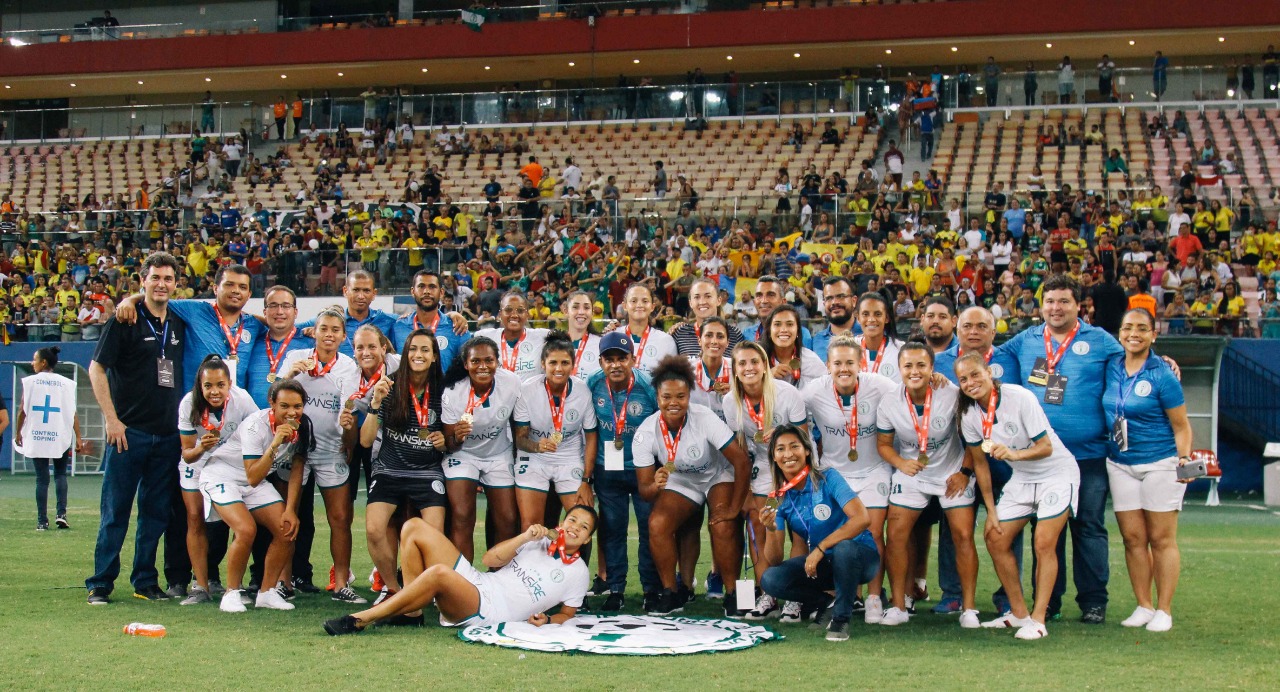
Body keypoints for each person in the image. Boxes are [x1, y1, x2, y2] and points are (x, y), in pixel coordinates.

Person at [995, 274, 1125, 623]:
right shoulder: (1025, 340)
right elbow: (985, 355)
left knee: (1089, 527)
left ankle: (1093, 601)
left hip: (1087, 455)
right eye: (1050, 301)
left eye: (1064, 301)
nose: (1056, 308)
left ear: (1079, 305)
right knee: (1045, 531)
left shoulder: (1101, 340)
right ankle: (1048, 602)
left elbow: (1133, 360)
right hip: (1042, 458)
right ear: (1041, 306)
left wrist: (1164, 360)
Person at [86, 252, 188, 605]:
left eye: (168, 278)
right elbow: (96, 369)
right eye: (155, 277)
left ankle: (145, 581)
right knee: (115, 512)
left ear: (176, 284)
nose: (161, 284)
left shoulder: (178, 321)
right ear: (143, 280)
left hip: (168, 436)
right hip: (128, 434)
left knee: (155, 515)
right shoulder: (124, 319)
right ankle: (100, 583)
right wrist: (111, 419)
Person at [953, 353, 1078, 641]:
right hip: (1022, 478)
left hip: (1057, 473)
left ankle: (1039, 620)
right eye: (963, 379)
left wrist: (1013, 454)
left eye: (975, 374)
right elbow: (980, 464)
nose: (970, 383)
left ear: (989, 372)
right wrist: (991, 511)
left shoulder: (1020, 397)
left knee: (1044, 542)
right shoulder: (969, 414)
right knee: (995, 537)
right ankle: (1019, 614)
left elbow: (1045, 446)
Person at [323, 507, 597, 635]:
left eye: (583, 527)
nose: (575, 527)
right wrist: (524, 537)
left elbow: (567, 614)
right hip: (479, 583)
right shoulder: (538, 540)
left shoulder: (578, 573)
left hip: (490, 611)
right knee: (413, 527)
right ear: (562, 522)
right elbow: (490, 558)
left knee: (439, 574)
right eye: (572, 519)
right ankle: (411, 614)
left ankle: (360, 619)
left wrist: (547, 621)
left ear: (587, 540)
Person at [634, 356, 751, 617]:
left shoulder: (704, 417)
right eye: (666, 397)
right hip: (682, 481)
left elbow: (741, 461)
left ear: (689, 395)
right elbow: (644, 491)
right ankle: (672, 592)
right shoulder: (645, 432)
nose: (673, 403)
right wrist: (655, 485)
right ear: (657, 397)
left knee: (722, 523)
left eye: (681, 396)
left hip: (717, 474)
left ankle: (732, 593)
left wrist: (734, 508)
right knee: (657, 524)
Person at [874, 342, 979, 628]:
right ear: (899, 369)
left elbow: (974, 438)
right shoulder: (890, 401)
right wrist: (900, 463)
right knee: (896, 535)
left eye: (921, 365)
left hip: (951, 472)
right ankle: (898, 606)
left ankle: (969, 609)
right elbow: (883, 444)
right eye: (908, 365)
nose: (915, 371)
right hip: (912, 473)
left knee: (963, 535)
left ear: (932, 368)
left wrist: (965, 472)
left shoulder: (952, 394)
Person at [1101, 309, 1193, 633]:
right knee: (1133, 538)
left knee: (1161, 539)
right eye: (1128, 327)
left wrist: (1184, 458)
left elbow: (1181, 426)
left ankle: (1164, 610)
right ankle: (1144, 605)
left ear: (1154, 335)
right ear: (1120, 332)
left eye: (1142, 328)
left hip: (1160, 463)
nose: (1133, 334)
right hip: (1120, 463)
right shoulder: (1112, 365)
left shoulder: (1162, 374)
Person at [802, 335, 896, 623]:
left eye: (850, 362)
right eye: (837, 363)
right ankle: (842, 595)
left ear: (860, 363)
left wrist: (938, 380)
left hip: (873, 470)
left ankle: (874, 597)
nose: (844, 368)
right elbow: (791, 411)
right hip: (834, 472)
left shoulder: (880, 386)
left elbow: (909, 393)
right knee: (836, 533)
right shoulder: (813, 391)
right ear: (828, 365)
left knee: (873, 531)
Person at [759, 425, 880, 641]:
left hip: (860, 557)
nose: (788, 454)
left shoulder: (828, 477)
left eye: (794, 446)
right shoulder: (777, 497)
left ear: (807, 450)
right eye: (780, 449)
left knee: (844, 548)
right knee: (771, 579)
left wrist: (821, 547)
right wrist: (770, 528)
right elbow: (775, 559)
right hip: (825, 564)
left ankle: (841, 620)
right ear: (774, 457)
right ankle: (826, 603)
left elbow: (862, 518)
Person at [199, 378, 309, 612]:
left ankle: (267, 592)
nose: (292, 412)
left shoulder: (303, 426)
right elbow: (253, 476)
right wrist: (275, 443)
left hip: (254, 481)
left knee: (286, 529)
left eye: (297, 406)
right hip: (223, 475)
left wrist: (290, 510)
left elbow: (298, 467)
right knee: (246, 529)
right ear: (272, 404)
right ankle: (231, 593)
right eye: (284, 406)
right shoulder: (254, 426)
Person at [278, 306, 364, 603]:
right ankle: (283, 582)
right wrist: (290, 374)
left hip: (331, 450)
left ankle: (341, 584)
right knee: (288, 514)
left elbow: (350, 412)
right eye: (323, 328)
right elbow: (275, 398)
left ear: (343, 336)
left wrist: (349, 440)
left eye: (335, 330)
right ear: (313, 332)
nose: (329, 334)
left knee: (340, 518)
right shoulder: (295, 357)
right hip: (295, 450)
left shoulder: (349, 367)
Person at [359, 328, 448, 603]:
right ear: (406, 353)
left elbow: (452, 438)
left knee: (434, 535)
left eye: (425, 350)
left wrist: (444, 441)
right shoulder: (389, 386)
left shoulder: (444, 390)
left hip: (427, 472)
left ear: (434, 356)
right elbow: (365, 441)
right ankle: (392, 590)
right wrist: (375, 403)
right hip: (389, 469)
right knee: (374, 529)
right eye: (413, 349)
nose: (418, 355)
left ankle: (423, 590)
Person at [724, 341, 808, 621]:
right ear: (735, 370)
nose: (748, 368)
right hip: (763, 466)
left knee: (799, 530)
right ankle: (768, 594)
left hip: (795, 463)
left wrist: (783, 432)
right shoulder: (730, 401)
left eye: (754, 362)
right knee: (761, 526)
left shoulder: (787, 393)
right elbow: (740, 449)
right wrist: (746, 490)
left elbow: (804, 440)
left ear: (764, 366)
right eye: (742, 363)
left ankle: (794, 599)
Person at [587, 332, 661, 612]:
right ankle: (615, 589)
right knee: (613, 530)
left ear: (633, 359)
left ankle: (651, 590)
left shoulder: (648, 386)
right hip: (608, 467)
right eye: (609, 359)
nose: (616, 364)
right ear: (601, 361)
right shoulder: (592, 384)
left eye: (622, 358)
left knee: (648, 529)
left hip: (644, 469)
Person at [175, 356, 257, 605]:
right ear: (200, 385)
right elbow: (187, 454)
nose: (214, 391)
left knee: (236, 520)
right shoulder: (188, 403)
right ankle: (200, 586)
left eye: (220, 385)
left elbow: (257, 430)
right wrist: (201, 447)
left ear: (229, 383)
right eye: (208, 385)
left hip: (229, 465)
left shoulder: (242, 399)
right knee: (194, 517)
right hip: (198, 462)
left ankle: (235, 585)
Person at [441, 336, 521, 561]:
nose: (483, 366)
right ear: (466, 364)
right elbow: (450, 444)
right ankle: (463, 577)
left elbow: (518, 423)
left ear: (498, 362)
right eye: (476, 361)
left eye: (489, 360)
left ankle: (499, 573)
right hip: (463, 455)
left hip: (499, 453)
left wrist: (518, 456)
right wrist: (457, 437)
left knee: (508, 518)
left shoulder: (512, 383)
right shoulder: (453, 391)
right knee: (462, 515)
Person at [513, 333, 598, 528]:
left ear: (573, 365)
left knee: (582, 522)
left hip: (569, 456)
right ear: (543, 364)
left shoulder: (583, 391)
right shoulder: (527, 389)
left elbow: (591, 438)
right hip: (534, 457)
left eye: (565, 363)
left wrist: (586, 480)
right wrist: (536, 446)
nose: (559, 369)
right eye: (553, 363)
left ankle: (575, 553)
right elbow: (520, 439)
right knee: (531, 525)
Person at [14, 346, 86, 531]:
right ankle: (61, 514)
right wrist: (78, 437)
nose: (32, 363)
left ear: (43, 362)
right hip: (59, 434)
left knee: (42, 478)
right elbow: (72, 412)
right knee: (60, 474)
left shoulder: (30, 382)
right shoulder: (66, 383)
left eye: (35, 359)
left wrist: (18, 432)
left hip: (38, 434)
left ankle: (42, 521)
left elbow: (22, 410)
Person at [298, 271, 398, 358]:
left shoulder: (388, 320)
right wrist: (318, 331)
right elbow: (292, 329)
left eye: (366, 290)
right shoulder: (328, 321)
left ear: (374, 294)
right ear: (345, 291)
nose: (361, 296)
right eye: (356, 290)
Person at [246, 286, 315, 409]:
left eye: (286, 306)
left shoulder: (311, 344)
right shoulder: (252, 342)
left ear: (295, 312)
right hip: (254, 418)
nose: (279, 311)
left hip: (293, 417)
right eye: (273, 305)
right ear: (265, 312)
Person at [391, 270, 469, 372]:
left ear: (441, 292)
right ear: (412, 291)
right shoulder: (398, 327)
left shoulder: (457, 328)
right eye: (421, 286)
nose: (426, 291)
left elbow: (467, 368)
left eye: (432, 287)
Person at [475, 292, 550, 381]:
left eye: (520, 311)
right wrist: (458, 318)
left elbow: (565, 339)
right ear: (500, 314)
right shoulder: (485, 336)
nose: (514, 315)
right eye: (508, 310)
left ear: (527, 315)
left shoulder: (542, 336)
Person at [672, 277, 745, 357]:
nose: (702, 302)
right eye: (697, 297)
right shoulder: (679, 333)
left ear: (719, 300)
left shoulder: (735, 334)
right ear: (690, 303)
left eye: (708, 296)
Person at [614, 283, 678, 375]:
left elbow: (671, 378)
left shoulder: (666, 341)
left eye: (645, 301)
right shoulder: (613, 337)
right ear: (625, 306)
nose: (639, 305)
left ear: (652, 307)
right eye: (634, 301)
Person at [760, 305, 825, 389]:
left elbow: (827, 389)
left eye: (790, 324)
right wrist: (767, 376)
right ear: (769, 331)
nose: (783, 330)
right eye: (777, 324)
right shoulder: (757, 359)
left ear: (797, 331)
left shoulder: (811, 361)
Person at [855, 292, 902, 381]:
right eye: (865, 314)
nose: (871, 319)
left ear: (886, 318)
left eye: (878, 314)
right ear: (858, 318)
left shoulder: (900, 349)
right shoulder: (849, 348)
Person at [812, 277, 856, 362]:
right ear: (824, 304)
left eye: (841, 296)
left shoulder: (868, 335)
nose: (834, 302)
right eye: (829, 298)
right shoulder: (817, 340)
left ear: (853, 301)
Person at [563, 290, 602, 379]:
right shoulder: (555, 343)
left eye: (586, 308)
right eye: (575, 307)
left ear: (592, 312)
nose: (581, 312)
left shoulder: (601, 344)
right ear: (566, 311)